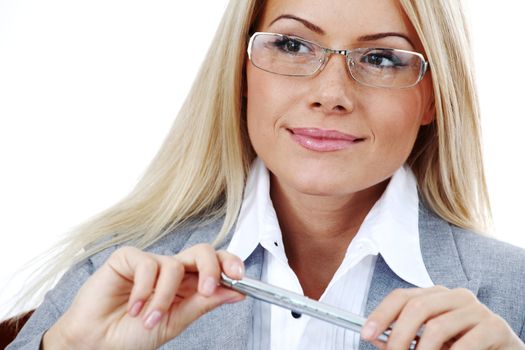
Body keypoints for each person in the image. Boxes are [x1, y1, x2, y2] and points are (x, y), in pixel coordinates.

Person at [7, 0, 525, 349]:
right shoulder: (112, 271)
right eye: (293, 46)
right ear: (241, 73)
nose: (331, 94)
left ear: (432, 96)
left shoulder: (513, 295)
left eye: (382, 58)